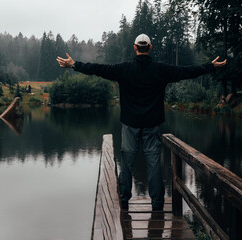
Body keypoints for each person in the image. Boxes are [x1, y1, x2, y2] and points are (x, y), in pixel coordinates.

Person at [57, 33, 227, 211]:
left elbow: (98, 68)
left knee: (127, 164)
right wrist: (211, 67)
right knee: (154, 164)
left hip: (130, 124)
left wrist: (75, 65)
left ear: (135, 48)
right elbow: (186, 72)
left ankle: (124, 201)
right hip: (152, 124)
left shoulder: (124, 69)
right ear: (150, 48)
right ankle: (157, 205)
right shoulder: (160, 70)